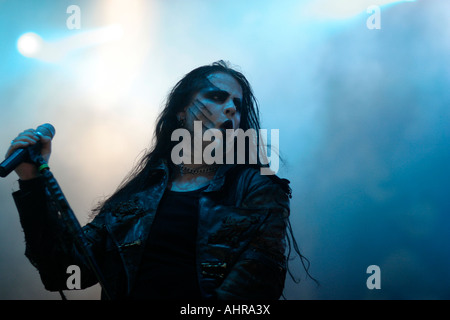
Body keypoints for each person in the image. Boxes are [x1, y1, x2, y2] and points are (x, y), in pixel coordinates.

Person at [7, 61, 307, 300]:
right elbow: (65, 272)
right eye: (216, 97)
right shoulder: (138, 198)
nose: (230, 108)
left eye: (237, 105)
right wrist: (32, 182)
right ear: (180, 111)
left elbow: (254, 290)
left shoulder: (258, 190)